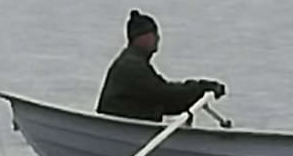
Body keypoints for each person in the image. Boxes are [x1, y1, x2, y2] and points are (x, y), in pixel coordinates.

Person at [96, 10, 225, 121]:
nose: (158, 38)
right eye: (154, 34)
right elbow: (164, 93)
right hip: (120, 127)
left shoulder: (135, 62)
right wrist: (200, 88)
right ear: (141, 38)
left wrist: (193, 97)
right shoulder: (131, 66)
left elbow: (163, 99)